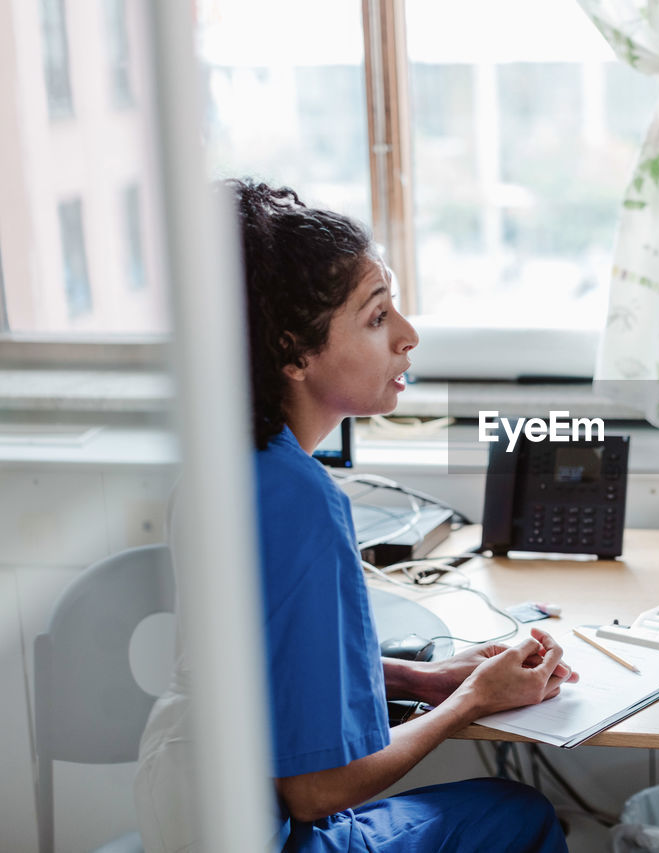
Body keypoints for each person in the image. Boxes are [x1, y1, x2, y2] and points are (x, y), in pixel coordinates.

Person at [135, 180, 576, 853]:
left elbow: (259, 671)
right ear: (293, 351)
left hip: (186, 813)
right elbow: (317, 790)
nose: (408, 335)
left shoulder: (219, 469)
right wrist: (471, 701)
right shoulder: (304, 501)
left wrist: (420, 679)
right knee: (516, 814)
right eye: (376, 318)